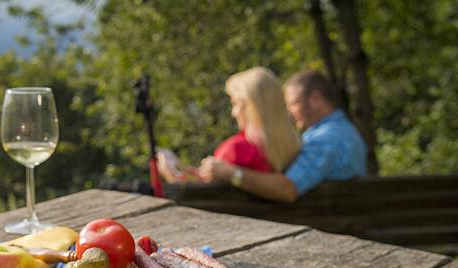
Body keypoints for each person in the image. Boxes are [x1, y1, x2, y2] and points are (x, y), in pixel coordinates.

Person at [198, 70, 367, 202]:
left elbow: (288, 189)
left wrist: (232, 174)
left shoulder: (326, 141)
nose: (289, 113)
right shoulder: (347, 132)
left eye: (293, 104)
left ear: (316, 99)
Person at [157, 67, 301, 183]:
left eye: (235, 104)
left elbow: (199, 200)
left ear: (251, 107)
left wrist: (169, 175)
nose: (233, 113)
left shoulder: (236, 150)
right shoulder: (295, 145)